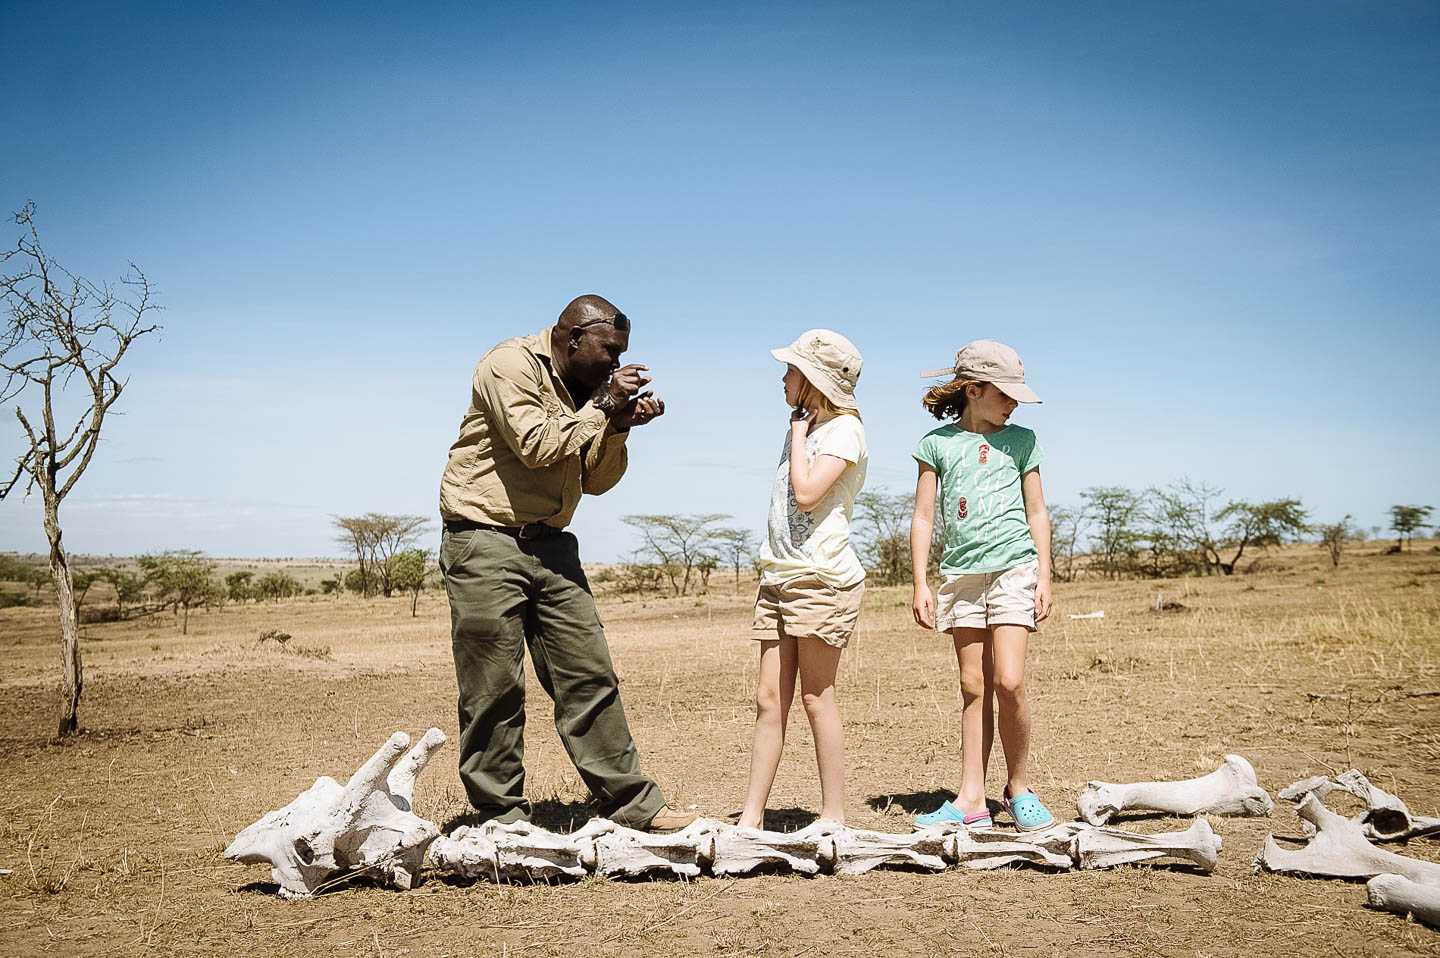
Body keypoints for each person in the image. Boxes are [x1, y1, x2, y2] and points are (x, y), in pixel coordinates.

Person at [437, 294, 694, 832]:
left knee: (588, 673)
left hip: (552, 544)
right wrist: (603, 403)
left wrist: (618, 426)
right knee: (493, 685)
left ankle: (632, 805)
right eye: (610, 350)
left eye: (621, 353)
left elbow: (596, 482)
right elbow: (535, 445)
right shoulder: (509, 365)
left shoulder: (585, 391)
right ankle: (500, 816)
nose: (617, 363)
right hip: (485, 538)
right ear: (574, 337)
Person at [909, 339, 1055, 831]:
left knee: (1008, 681)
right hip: (961, 575)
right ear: (973, 390)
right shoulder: (936, 445)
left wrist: (1044, 574)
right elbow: (923, 518)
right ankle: (971, 799)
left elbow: (1038, 511)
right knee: (973, 686)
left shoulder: (1023, 441)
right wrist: (920, 582)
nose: (1013, 403)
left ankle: (1018, 788)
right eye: (1004, 393)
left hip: (1015, 569)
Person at [738, 330, 868, 830]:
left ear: (814, 378)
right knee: (769, 701)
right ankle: (751, 818)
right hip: (778, 576)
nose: (784, 377)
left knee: (817, 696)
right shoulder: (805, 425)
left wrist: (796, 434)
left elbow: (808, 493)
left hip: (821, 580)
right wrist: (798, 429)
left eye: (792, 370)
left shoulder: (845, 431)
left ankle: (833, 816)